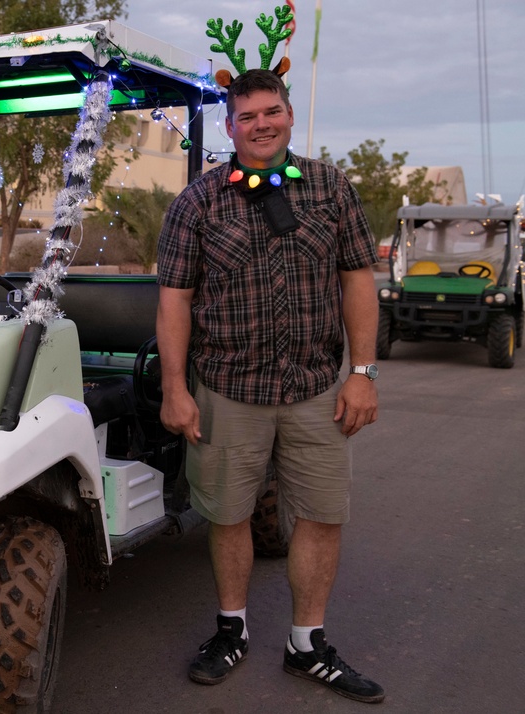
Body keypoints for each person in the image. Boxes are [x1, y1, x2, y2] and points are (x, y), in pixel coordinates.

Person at [155, 68, 385, 704]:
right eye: (247, 116)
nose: (261, 124)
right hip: (226, 388)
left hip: (315, 387)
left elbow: (358, 279)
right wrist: (175, 388)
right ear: (230, 126)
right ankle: (231, 630)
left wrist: (362, 373)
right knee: (227, 515)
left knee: (320, 513)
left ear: (288, 114)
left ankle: (307, 645)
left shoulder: (330, 189)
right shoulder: (196, 203)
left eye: (271, 112)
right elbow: (175, 300)